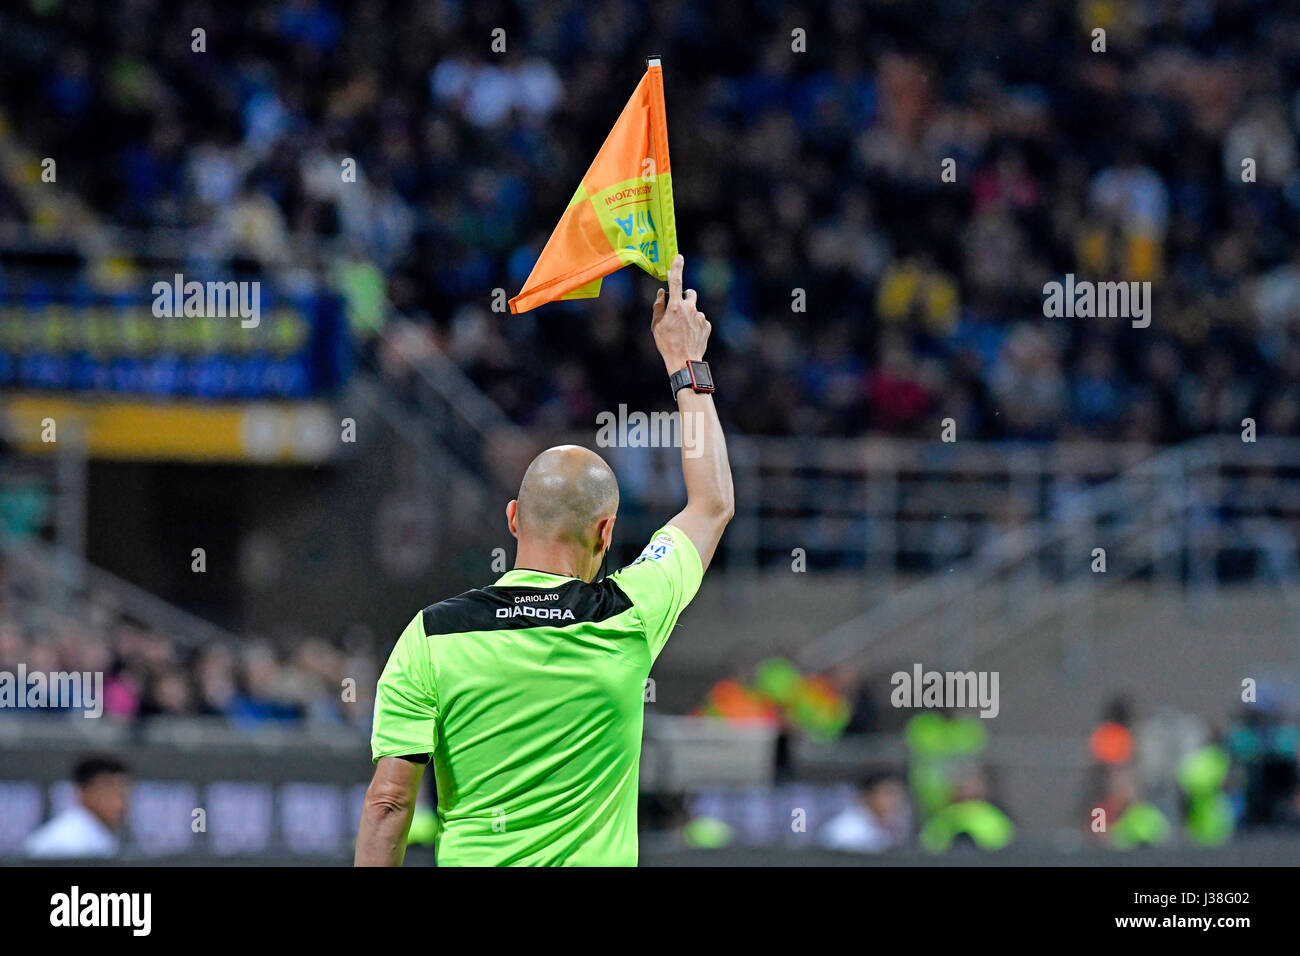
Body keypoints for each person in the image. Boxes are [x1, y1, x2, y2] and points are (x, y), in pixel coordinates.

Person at [355, 255, 733, 866]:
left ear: (512, 519)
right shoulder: (629, 614)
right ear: (606, 531)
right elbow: (712, 504)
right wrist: (685, 364)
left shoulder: (431, 634)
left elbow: (389, 805)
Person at [23, 754, 131, 859]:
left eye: (123, 795)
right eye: (110, 793)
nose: (120, 803)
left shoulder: (101, 835)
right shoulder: (65, 842)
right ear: (84, 792)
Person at [819, 772, 911, 853]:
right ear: (868, 795)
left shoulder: (880, 829)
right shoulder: (848, 832)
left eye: (897, 795)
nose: (894, 802)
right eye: (888, 794)